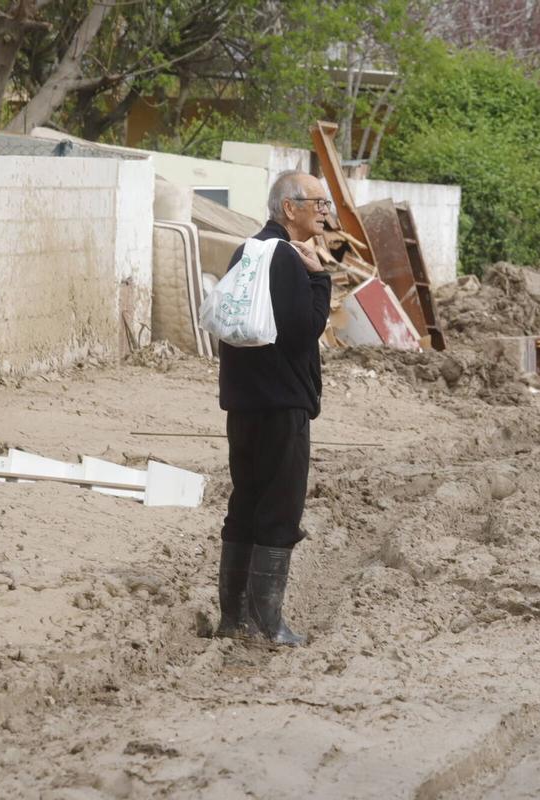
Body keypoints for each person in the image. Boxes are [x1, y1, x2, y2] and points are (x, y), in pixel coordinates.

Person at [214, 171, 333, 646]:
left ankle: (232, 618)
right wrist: (321, 277)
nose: (324, 212)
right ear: (290, 208)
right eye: (318, 204)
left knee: (244, 502)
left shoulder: (248, 250)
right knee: (280, 509)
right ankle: (269, 623)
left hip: (243, 404)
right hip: (282, 404)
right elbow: (305, 330)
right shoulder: (287, 259)